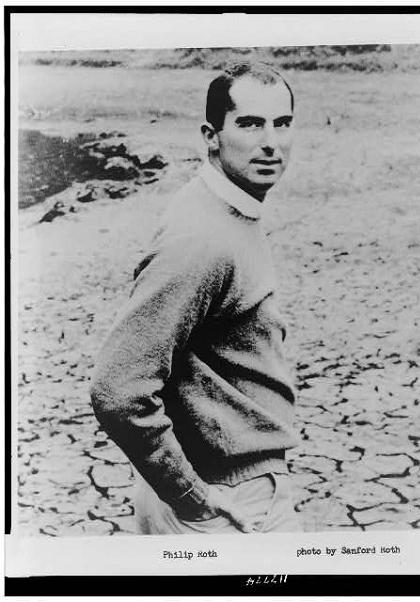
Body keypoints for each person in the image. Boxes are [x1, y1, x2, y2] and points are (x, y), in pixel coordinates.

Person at [90, 61, 301, 534]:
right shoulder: (202, 237)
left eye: (282, 123)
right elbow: (117, 388)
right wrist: (192, 497)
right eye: (250, 124)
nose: (271, 142)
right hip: (229, 503)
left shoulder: (227, 206)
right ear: (212, 136)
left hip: (227, 488)